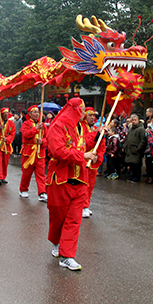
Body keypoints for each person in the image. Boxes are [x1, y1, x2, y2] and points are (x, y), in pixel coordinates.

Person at [46, 98, 97, 271]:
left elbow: (85, 144)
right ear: (74, 109)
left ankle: (67, 256)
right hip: (61, 179)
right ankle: (56, 242)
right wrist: (83, 156)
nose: (83, 113)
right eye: (81, 110)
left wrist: (98, 134)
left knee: (74, 220)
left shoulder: (80, 127)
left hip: (80, 179)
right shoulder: (57, 126)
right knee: (58, 217)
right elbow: (58, 151)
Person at [18, 105, 47, 201]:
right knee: (27, 173)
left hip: (40, 153)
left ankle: (42, 192)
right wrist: (35, 129)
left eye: (37, 112)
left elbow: (48, 138)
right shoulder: (26, 124)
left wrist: (42, 142)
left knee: (41, 174)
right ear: (29, 114)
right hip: (28, 152)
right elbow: (25, 135)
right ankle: (23, 189)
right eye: (34, 112)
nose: (36, 114)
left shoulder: (42, 125)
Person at [81, 107, 106, 217]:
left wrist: (98, 157)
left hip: (93, 162)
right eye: (90, 115)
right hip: (83, 161)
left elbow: (102, 146)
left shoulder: (97, 129)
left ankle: (86, 205)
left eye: (93, 115)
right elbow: (84, 142)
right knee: (83, 184)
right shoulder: (80, 128)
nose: (92, 117)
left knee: (90, 185)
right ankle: (81, 206)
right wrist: (96, 134)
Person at [0, 108, 16, 185]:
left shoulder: (11, 123)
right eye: (4, 113)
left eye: (7, 113)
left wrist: (7, 139)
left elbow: (12, 133)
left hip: (7, 144)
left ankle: (3, 176)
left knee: (5, 162)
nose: (6, 114)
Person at [123, 114, 146, 183]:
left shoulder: (141, 129)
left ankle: (137, 177)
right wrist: (125, 146)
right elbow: (127, 138)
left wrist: (139, 148)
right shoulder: (130, 129)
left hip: (136, 149)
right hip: (130, 149)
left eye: (135, 120)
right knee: (131, 164)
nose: (133, 121)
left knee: (137, 165)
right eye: (132, 120)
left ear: (138, 121)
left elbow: (143, 140)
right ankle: (132, 176)